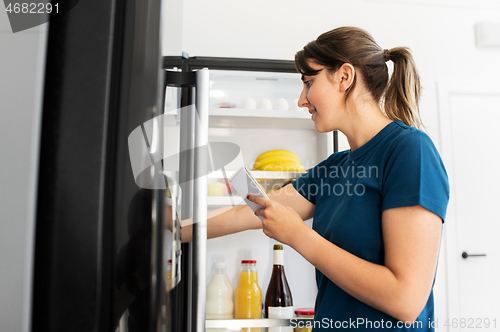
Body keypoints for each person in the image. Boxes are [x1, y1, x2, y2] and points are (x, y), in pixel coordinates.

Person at [181, 26, 449, 331]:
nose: (301, 99)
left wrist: (298, 235)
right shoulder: (334, 167)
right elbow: (254, 210)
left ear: (345, 77)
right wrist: (171, 230)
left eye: (309, 82)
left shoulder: (410, 151)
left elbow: (406, 301)